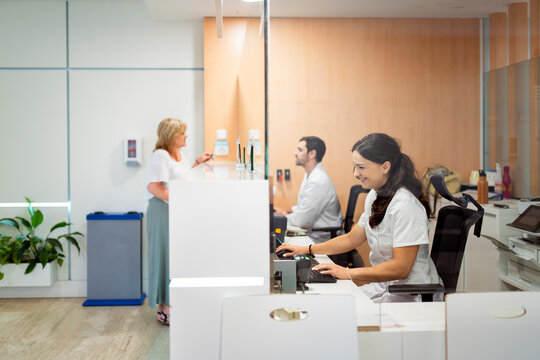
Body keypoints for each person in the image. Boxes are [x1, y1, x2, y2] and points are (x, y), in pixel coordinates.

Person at [277, 133, 441, 302]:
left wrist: (348, 273)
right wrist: (308, 249)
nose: (356, 173)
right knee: (330, 301)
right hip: (386, 287)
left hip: (411, 295)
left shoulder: (405, 205)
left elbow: (401, 268)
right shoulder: (374, 196)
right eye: (354, 167)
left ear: (385, 167)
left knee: (338, 311)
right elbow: (351, 239)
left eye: (361, 167)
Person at [146, 118, 212, 325]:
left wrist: (197, 163)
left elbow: (182, 177)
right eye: (182, 133)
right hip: (161, 212)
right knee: (163, 257)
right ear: (172, 135)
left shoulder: (179, 156)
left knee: (173, 258)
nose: (186, 136)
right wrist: (179, 198)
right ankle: (163, 309)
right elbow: (154, 187)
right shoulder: (160, 155)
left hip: (173, 212)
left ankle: (171, 305)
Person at [274, 136, 342, 243]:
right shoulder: (311, 175)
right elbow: (307, 206)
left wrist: (283, 216)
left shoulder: (318, 181)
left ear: (312, 154)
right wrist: (287, 210)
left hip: (320, 238)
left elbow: (302, 221)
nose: (295, 153)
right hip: (314, 232)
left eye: (300, 150)